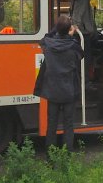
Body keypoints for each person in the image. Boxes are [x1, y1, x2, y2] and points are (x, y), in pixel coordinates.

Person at [36, 14, 84, 154]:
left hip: (52, 91)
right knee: (68, 125)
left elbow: (45, 37)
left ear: (57, 29)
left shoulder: (48, 44)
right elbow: (81, 55)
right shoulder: (73, 46)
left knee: (51, 125)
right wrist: (71, 35)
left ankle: (51, 158)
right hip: (68, 91)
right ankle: (67, 157)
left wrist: (57, 28)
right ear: (70, 29)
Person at [70, 0, 97, 81]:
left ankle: (83, 83)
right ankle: (85, 84)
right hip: (82, 35)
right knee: (85, 61)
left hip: (81, 34)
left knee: (82, 61)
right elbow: (77, 18)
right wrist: (86, 29)